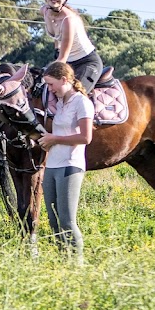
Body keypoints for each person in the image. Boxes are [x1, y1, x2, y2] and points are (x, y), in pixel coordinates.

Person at [36, 61, 93, 260]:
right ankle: (63, 262)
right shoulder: (59, 103)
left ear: (64, 79)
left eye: (51, 85)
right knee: (53, 219)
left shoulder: (82, 102)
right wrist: (47, 140)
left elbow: (86, 138)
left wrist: (55, 138)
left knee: (67, 221)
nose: (49, 90)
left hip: (70, 165)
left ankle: (77, 266)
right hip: (52, 165)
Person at [40, 0, 103, 91]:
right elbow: (57, 40)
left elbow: (62, 59)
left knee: (73, 95)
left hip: (86, 63)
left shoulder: (68, 20)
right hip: (69, 64)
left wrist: (45, 75)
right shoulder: (44, 11)